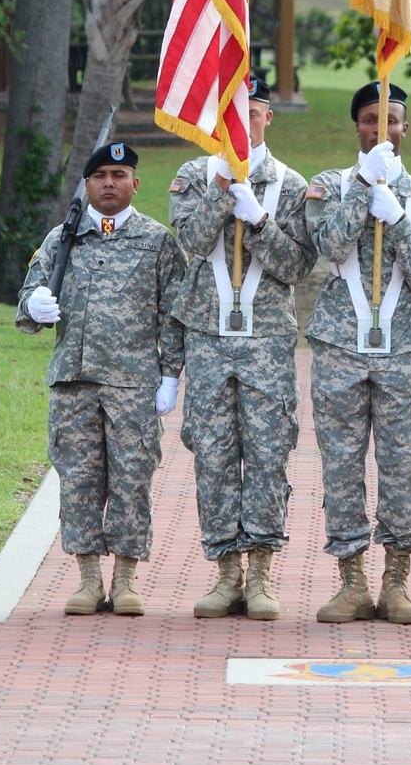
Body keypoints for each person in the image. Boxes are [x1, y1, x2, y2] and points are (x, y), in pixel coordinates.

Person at [17, 141, 187, 618]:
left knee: (132, 481)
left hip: (133, 385)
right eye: (99, 177)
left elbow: (175, 316)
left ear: (135, 183)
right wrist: (33, 306)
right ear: (87, 185)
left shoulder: (158, 242)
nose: (109, 183)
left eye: (118, 174)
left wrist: (170, 375)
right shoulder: (62, 239)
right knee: (80, 482)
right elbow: (28, 298)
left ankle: (127, 579)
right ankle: (89, 580)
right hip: (73, 382)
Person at [167, 76, 315, 621]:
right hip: (207, 338)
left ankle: (261, 574)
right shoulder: (192, 176)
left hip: (266, 343)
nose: (240, 124)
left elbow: (298, 266)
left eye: (250, 113)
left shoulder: (292, 186)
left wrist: (257, 218)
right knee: (214, 454)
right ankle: (225, 571)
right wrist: (222, 190)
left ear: (267, 118)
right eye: (229, 113)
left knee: (267, 453)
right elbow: (187, 242)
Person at [304, 81, 411, 625]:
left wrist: (400, 220)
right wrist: (364, 190)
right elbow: (327, 248)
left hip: (403, 352)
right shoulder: (329, 185)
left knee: (401, 467)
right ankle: (351, 583)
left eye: (390, 120)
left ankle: (396, 582)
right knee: (341, 468)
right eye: (369, 119)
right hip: (340, 349)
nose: (379, 129)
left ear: (404, 129)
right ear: (357, 127)